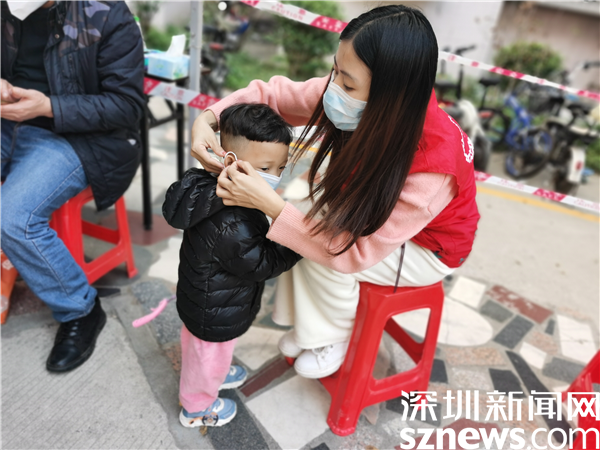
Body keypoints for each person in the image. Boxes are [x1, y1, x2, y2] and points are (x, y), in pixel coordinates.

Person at [190, 5, 480, 379]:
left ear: (390, 94)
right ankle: (309, 325)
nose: (333, 88)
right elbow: (272, 95)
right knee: (301, 217)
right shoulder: (352, 94)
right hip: (375, 213)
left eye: (348, 82)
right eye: (335, 70)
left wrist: (270, 205)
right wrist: (208, 119)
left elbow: (352, 251)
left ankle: (332, 335)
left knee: (312, 242)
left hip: (429, 248)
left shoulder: (434, 165)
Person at [1, 1, 144, 372]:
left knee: (13, 217)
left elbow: (126, 106)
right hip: (7, 122)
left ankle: (80, 308)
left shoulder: (106, 14)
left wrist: (48, 107)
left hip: (79, 138)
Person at [162, 103, 302, 427]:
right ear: (229, 161)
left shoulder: (209, 190)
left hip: (207, 299)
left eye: (280, 167)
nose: (274, 176)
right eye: (265, 167)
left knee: (205, 352)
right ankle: (197, 408)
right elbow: (262, 263)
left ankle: (215, 373)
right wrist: (296, 242)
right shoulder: (232, 222)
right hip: (216, 310)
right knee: (206, 356)